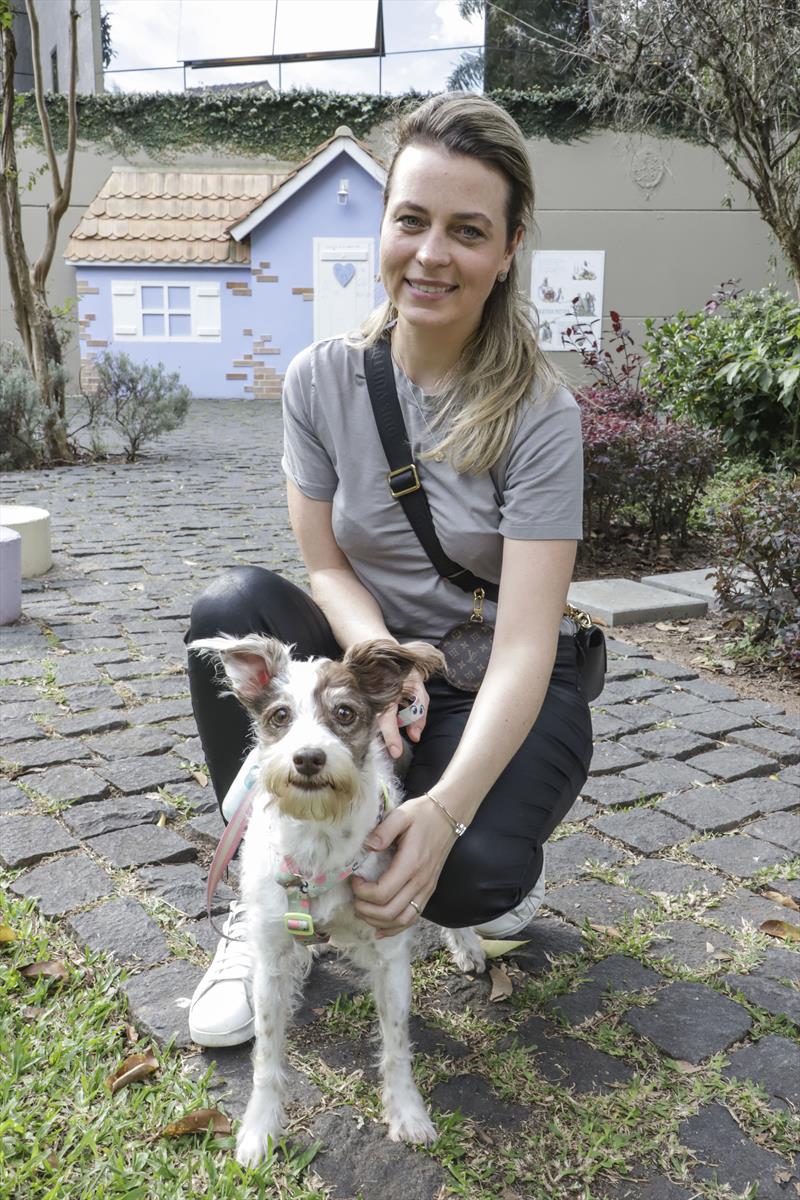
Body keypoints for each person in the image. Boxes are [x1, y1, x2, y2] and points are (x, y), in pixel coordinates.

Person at [185, 92, 593, 1048]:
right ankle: (267, 897)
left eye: (467, 230)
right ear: (384, 225)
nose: (431, 254)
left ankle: (502, 861)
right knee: (233, 602)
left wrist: (444, 813)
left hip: (499, 678)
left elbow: (531, 639)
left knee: (463, 872)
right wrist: (374, 660)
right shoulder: (322, 379)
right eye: (411, 220)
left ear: (507, 249)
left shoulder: (541, 415)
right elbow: (322, 561)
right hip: (371, 663)